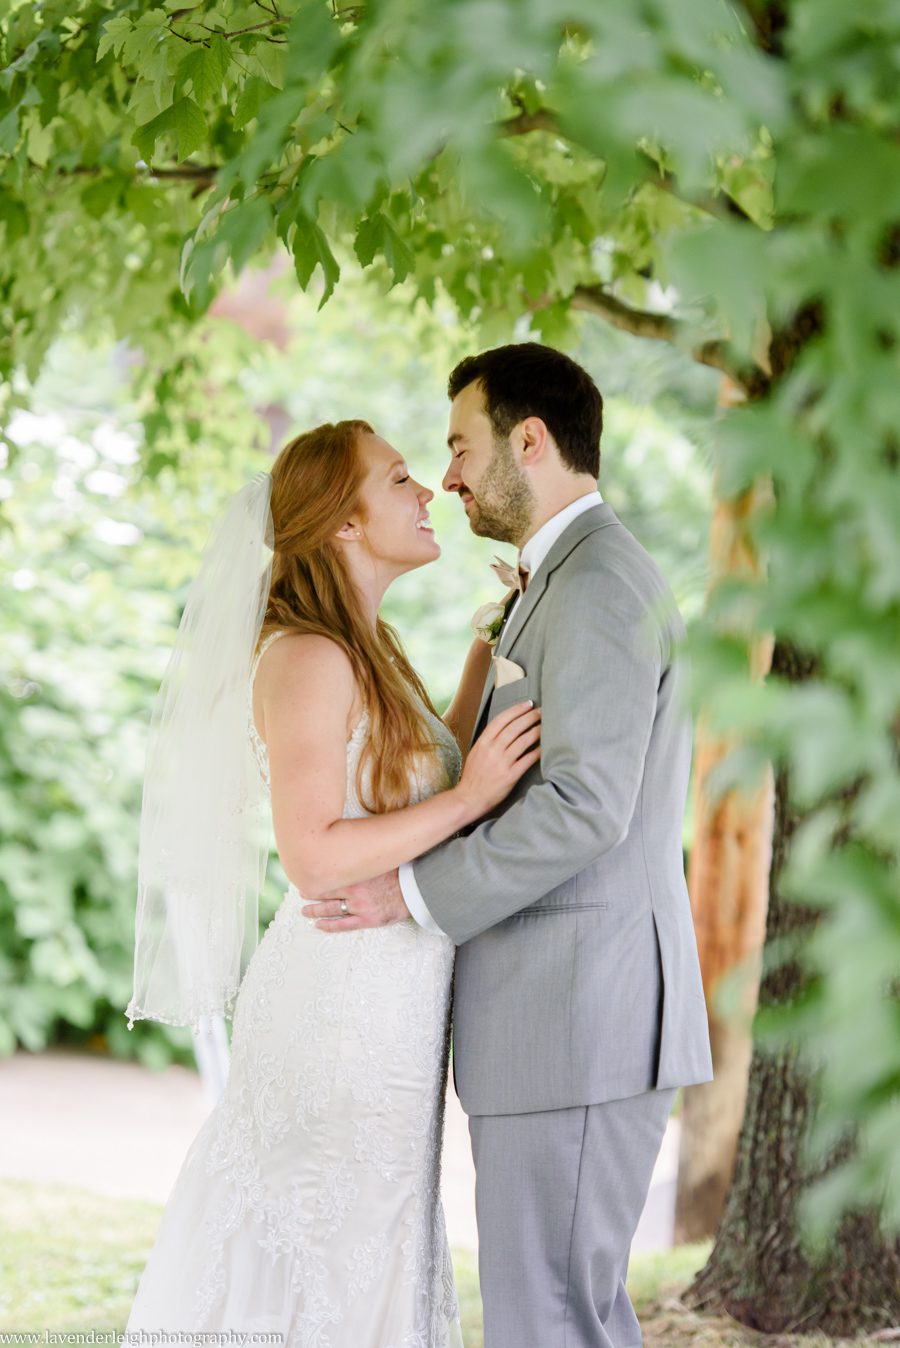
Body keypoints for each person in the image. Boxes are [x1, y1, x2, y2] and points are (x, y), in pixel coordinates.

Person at [302, 345, 714, 1348]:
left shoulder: (598, 583)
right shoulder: (560, 580)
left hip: (579, 1020)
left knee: (552, 1321)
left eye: (459, 446)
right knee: (557, 1317)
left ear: (529, 441)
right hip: (556, 1022)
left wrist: (411, 895)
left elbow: (583, 807)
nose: (447, 477)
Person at [124, 419, 541, 1346]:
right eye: (399, 479)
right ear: (344, 524)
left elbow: (417, 772)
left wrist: (488, 647)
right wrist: (472, 798)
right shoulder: (305, 657)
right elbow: (313, 852)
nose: (427, 491)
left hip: (394, 998)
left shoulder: (367, 645)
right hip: (339, 1005)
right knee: (326, 1240)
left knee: (379, 1238)